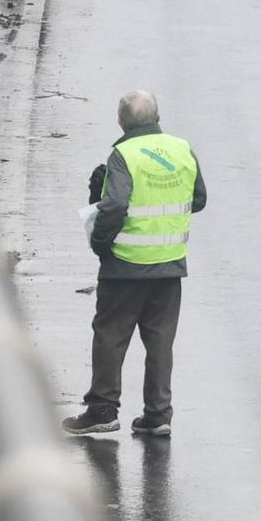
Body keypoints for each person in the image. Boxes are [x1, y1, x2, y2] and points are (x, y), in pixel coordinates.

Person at [60, 92, 207, 437]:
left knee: (111, 334)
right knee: (159, 341)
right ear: (159, 117)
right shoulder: (181, 148)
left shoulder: (123, 154)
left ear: (121, 122)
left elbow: (114, 206)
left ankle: (102, 409)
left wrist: (100, 243)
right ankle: (158, 415)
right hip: (169, 266)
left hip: (125, 265)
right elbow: (198, 199)